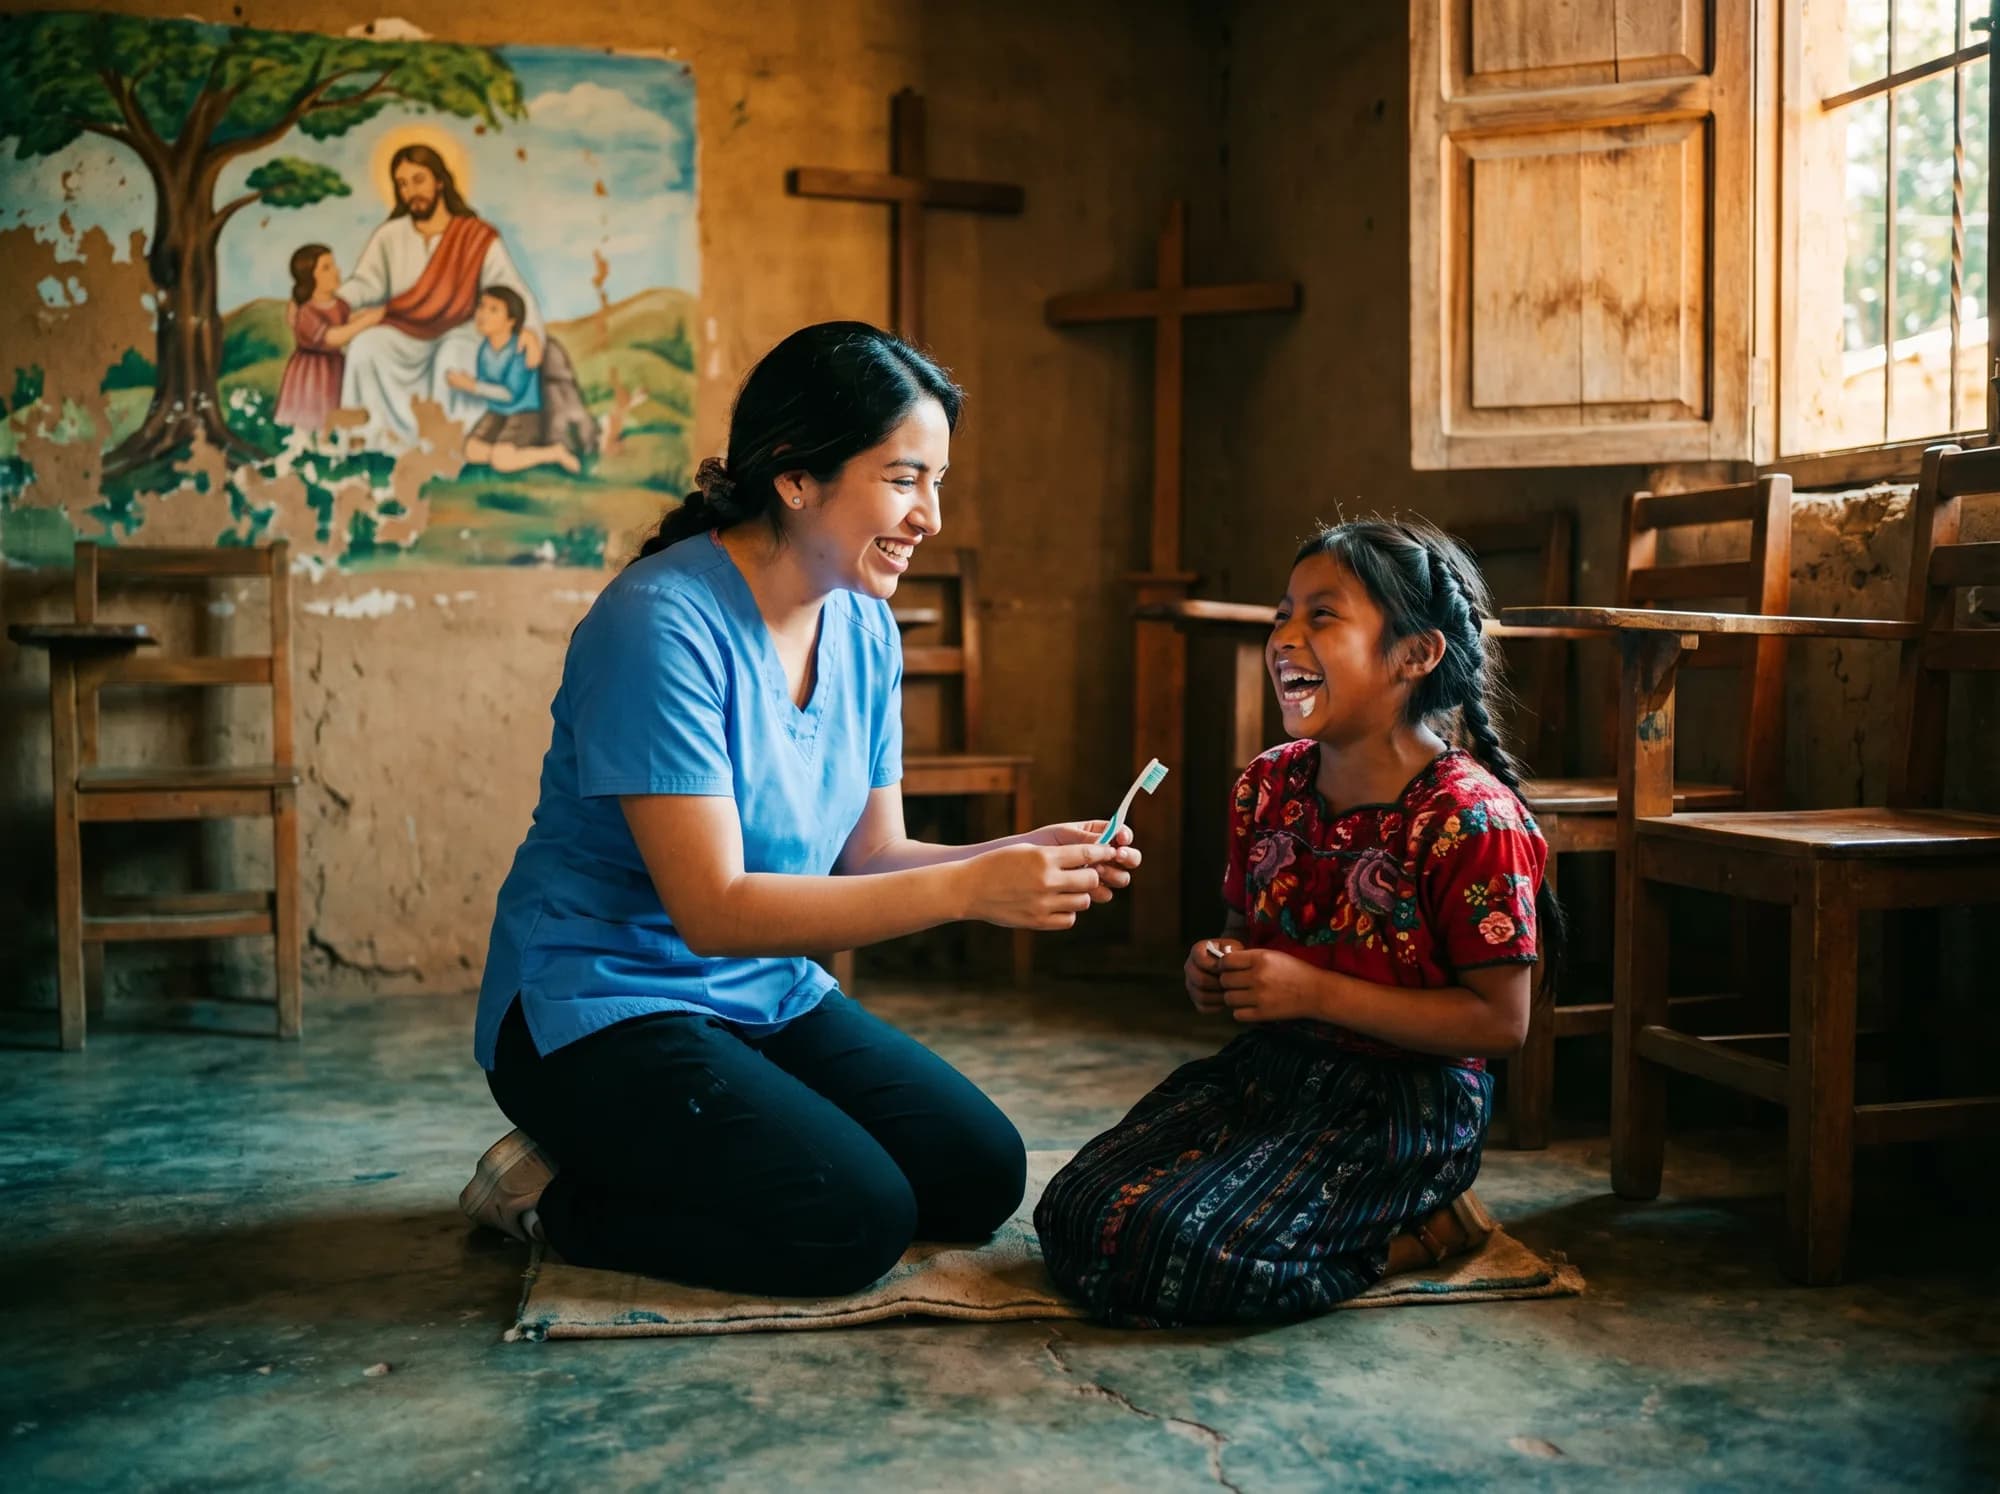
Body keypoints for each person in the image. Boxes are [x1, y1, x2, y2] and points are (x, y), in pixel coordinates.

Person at [459, 322, 1141, 1297]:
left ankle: (686, 1144)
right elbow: (714, 910)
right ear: (793, 477)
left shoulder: (863, 625)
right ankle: (544, 1194)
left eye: (937, 482)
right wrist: (971, 892)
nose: (930, 517)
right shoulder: (657, 626)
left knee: (975, 1174)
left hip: (756, 990)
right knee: (846, 1223)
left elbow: (869, 853)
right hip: (596, 1003)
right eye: (904, 479)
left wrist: (1016, 851)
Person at [1035, 519, 1561, 1326]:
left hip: (1401, 1108)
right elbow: (1243, 932)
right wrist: (1216, 963)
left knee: (1187, 1252)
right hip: (1271, 1075)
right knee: (1076, 1207)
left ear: (1415, 655)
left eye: (1322, 616)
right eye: (1284, 614)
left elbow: (1500, 1022)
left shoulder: (1470, 820)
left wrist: (1313, 992)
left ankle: (1421, 1235)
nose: (1284, 636)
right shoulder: (1266, 786)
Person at [335, 144, 543, 446]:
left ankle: (446, 449)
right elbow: (366, 283)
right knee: (366, 347)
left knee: (452, 357)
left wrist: (530, 330)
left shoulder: (474, 236)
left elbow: (510, 287)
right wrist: (333, 304)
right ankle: (373, 443)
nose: (410, 191)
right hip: (405, 329)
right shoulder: (390, 235)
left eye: (418, 180)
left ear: (440, 181)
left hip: (460, 328)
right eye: (402, 184)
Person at [448, 287, 581, 474]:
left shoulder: (520, 349)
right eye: (481, 306)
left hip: (523, 414)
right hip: (496, 412)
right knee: (470, 450)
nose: (483, 314)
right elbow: (488, 385)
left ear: (511, 321)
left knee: (502, 462)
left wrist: (473, 386)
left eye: (493, 310)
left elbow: (511, 394)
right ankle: (502, 455)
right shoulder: (485, 348)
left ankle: (553, 453)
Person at [273, 244, 383, 434]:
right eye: (326, 267)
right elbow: (332, 337)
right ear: (309, 277)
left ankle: (327, 440)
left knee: (333, 413)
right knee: (311, 414)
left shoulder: (339, 304)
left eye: (333, 265)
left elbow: (344, 323)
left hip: (334, 367)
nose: (336, 270)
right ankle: (305, 445)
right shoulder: (307, 311)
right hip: (311, 371)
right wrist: (366, 321)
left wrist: (367, 316)